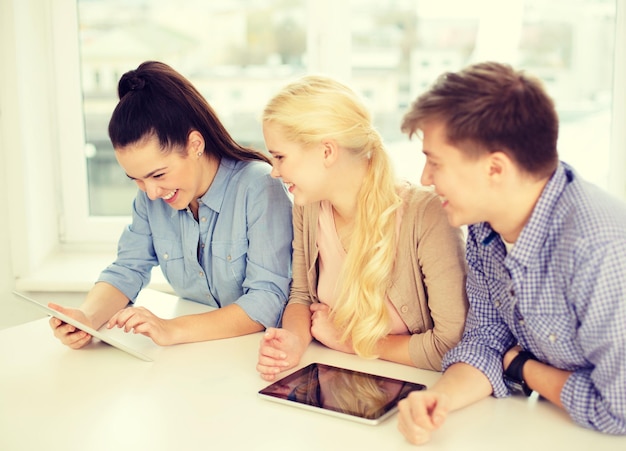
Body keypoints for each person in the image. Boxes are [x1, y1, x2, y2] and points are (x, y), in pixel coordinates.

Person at [397, 61, 626, 444]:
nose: (425, 178)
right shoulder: (485, 225)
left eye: (435, 162)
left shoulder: (600, 250)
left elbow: (618, 408)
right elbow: (486, 339)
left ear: (495, 169)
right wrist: (439, 398)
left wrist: (522, 367)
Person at [49, 61, 293, 348]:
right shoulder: (153, 196)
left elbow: (267, 298)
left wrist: (171, 329)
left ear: (195, 145)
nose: (151, 192)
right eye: (136, 179)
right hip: (191, 356)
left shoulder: (259, 186)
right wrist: (87, 318)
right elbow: (128, 267)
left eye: (158, 174)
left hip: (253, 353)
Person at [256, 75, 468, 381]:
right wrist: (294, 341)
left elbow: (451, 345)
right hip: (338, 382)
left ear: (326, 151)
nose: (274, 172)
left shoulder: (426, 216)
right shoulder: (307, 205)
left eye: (280, 157)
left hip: (412, 395)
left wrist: (352, 341)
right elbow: (301, 296)